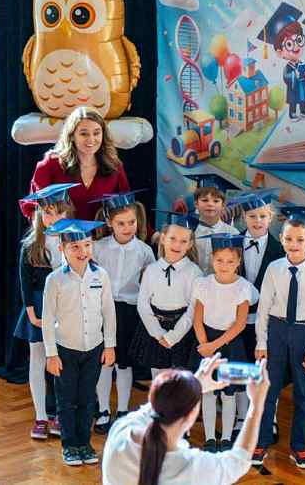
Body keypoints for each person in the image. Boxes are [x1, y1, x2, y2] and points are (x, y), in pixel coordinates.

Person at [101, 354, 272, 485]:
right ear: (191, 417)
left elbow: (153, 408)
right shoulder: (192, 468)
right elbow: (238, 461)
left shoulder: (120, 432)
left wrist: (194, 384)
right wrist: (256, 405)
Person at [253, 207, 305, 469]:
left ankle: (299, 447)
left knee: (303, 394)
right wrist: (261, 342)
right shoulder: (274, 268)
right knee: (268, 390)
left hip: (303, 333)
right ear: (282, 239)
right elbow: (263, 308)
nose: (293, 244)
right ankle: (261, 442)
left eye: (299, 239)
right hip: (276, 331)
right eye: (288, 239)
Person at [42, 219, 116, 466]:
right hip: (65, 350)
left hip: (93, 348)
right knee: (65, 400)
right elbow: (48, 318)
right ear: (62, 248)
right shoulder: (55, 280)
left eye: (87, 245)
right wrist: (51, 354)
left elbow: (109, 312)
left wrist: (109, 345)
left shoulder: (101, 276)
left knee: (87, 399)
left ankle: (84, 443)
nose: (83, 251)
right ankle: (69, 445)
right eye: (75, 247)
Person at [91, 191, 155, 434]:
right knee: (105, 361)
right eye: (121, 223)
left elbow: (150, 284)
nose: (128, 228)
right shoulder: (98, 248)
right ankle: (103, 409)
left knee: (124, 363)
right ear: (109, 223)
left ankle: (123, 410)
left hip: (129, 312)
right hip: (103, 310)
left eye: (132, 222)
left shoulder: (145, 251)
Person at [15, 184, 75, 440]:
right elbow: (25, 284)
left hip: (66, 308)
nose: (55, 218)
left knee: (63, 363)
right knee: (38, 361)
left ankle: (60, 414)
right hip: (39, 309)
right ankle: (41, 416)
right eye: (48, 213)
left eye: (60, 212)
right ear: (40, 214)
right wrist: (31, 314)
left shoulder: (74, 241)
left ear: (68, 212)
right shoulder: (31, 245)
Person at [189, 234, 258, 453]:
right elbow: (197, 319)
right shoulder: (203, 284)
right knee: (208, 391)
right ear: (212, 259)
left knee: (229, 393)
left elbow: (240, 324)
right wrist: (205, 346)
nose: (224, 265)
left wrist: (214, 346)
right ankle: (210, 438)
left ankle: (227, 438)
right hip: (205, 341)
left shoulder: (243, 287)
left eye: (230, 261)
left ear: (238, 262)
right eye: (219, 260)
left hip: (230, 342)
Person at [227, 190, 284, 438]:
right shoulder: (231, 244)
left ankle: (269, 417)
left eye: (262, 216)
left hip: (266, 321)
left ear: (270, 217)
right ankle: (241, 418)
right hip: (235, 321)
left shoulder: (281, 249)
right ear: (243, 217)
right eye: (252, 216)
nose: (257, 221)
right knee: (239, 368)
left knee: (266, 371)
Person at [21, 107, 130, 221]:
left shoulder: (114, 165)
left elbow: (126, 208)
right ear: (72, 135)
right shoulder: (50, 164)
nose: (91, 139)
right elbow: (33, 208)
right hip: (60, 232)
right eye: (84, 134)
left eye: (96, 133)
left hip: (103, 232)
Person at [129, 212, 202, 376]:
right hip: (155, 329)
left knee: (179, 379)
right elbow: (143, 304)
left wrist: (174, 336)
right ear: (163, 238)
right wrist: (157, 333)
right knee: (158, 377)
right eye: (172, 238)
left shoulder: (194, 272)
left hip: (181, 331)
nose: (177, 245)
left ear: (190, 244)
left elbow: (193, 308)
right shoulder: (151, 270)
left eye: (183, 241)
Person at [184, 174, 240, 274]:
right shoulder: (187, 231)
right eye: (205, 200)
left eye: (216, 201)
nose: (210, 204)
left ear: (223, 205)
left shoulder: (233, 233)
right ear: (196, 204)